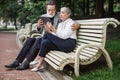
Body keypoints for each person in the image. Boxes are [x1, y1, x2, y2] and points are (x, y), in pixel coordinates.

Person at [4, 0, 79, 70]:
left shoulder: (60, 15)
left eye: (52, 9)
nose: (51, 11)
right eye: (49, 10)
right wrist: (38, 26)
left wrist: (77, 25)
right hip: (45, 37)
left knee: (39, 40)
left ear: (55, 9)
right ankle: (17, 61)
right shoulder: (43, 16)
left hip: (54, 39)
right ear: (46, 9)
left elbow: (71, 21)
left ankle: (27, 62)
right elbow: (38, 31)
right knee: (30, 40)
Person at [31, 7, 77, 71]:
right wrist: (50, 30)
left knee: (46, 35)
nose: (60, 14)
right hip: (62, 42)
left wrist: (53, 29)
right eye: (60, 12)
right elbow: (57, 35)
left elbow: (64, 36)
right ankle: (39, 65)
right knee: (45, 42)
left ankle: (38, 57)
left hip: (69, 44)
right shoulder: (61, 24)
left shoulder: (71, 23)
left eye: (63, 12)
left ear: (68, 14)